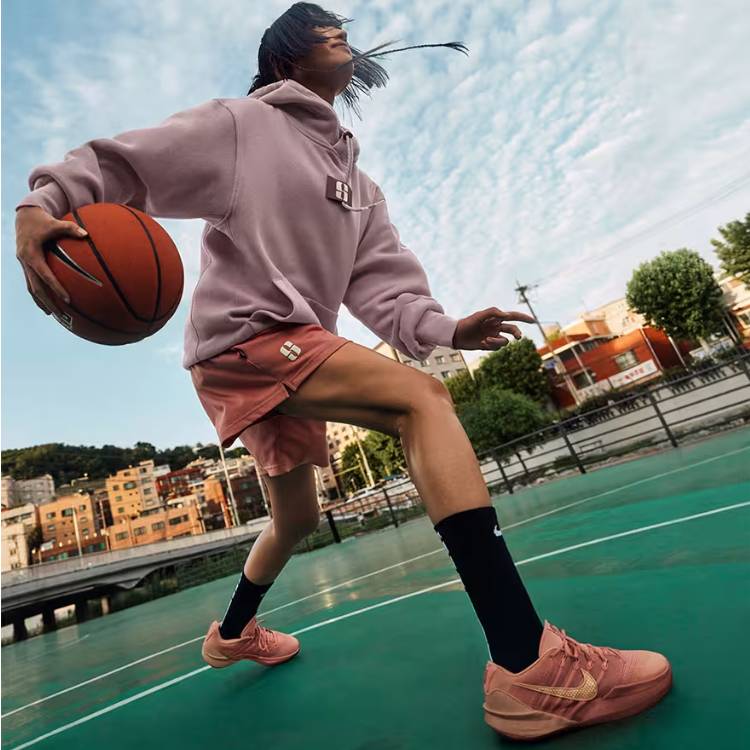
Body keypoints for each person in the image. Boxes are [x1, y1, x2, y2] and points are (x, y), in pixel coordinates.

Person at [14, 3, 671, 740]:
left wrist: (448, 328)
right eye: (321, 28)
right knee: (421, 399)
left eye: (343, 28)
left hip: (290, 347)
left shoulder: (359, 184)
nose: (339, 34)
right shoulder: (242, 126)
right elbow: (127, 164)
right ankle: (528, 666)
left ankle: (232, 632)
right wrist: (43, 202)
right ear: (284, 58)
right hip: (245, 340)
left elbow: (386, 290)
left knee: (296, 518)